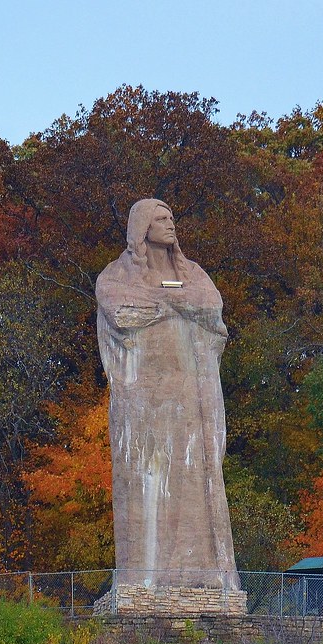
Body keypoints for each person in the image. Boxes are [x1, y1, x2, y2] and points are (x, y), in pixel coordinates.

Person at [96, 198, 239, 590]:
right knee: (147, 479)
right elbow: (122, 311)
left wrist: (164, 302)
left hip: (191, 396)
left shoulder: (192, 272)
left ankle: (202, 576)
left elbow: (211, 307)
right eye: (161, 218)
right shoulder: (116, 274)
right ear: (142, 227)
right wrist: (177, 304)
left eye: (172, 217)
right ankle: (144, 578)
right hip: (144, 399)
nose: (170, 223)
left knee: (194, 475)